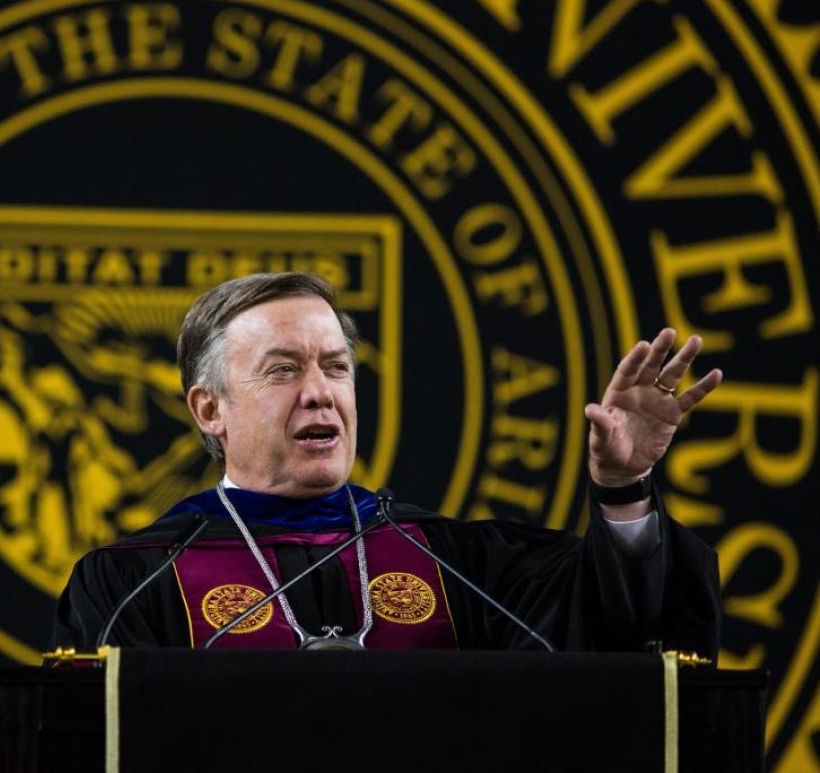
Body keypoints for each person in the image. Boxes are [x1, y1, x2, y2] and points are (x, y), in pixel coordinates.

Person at [50, 272, 723, 654]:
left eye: (336, 368)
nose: (321, 392)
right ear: (208, 409)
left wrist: (622, 488)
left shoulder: (453, 560)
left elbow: (615, 630)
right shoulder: (137, 581)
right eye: (284, 369)